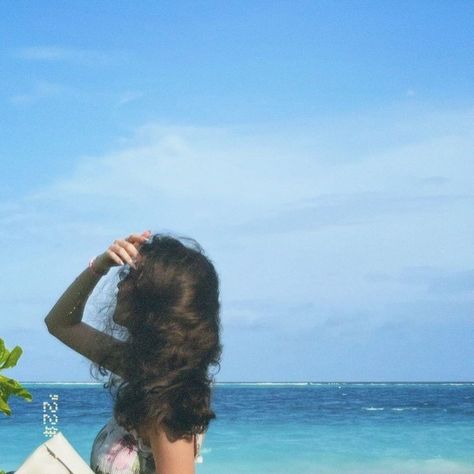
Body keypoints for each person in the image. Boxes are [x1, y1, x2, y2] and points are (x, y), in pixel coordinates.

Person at [44, 230, 223, 474]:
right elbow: (60, 324)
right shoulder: (143, 370)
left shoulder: (170, 406)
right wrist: (99, 265)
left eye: (131, 276)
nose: (120, 281)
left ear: (154, 300)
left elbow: (61, 325)